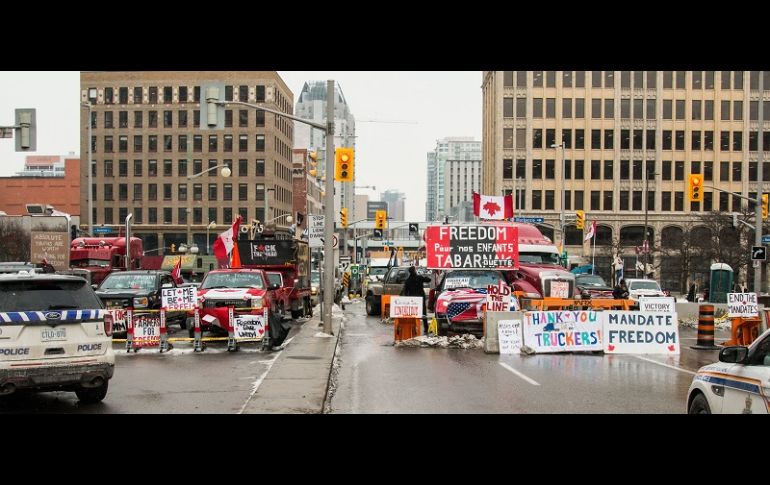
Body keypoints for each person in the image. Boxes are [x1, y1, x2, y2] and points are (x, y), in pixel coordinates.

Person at [401, 266, 431, 333]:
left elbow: (405, 292)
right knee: (423, 313)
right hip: (421, 298)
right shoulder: (419, 277)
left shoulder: (408, 280)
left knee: (413, 314)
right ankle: (426, 328)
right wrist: (424, 276)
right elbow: (429, 280)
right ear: (414, 271)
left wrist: (407, 299)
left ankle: (414, 328)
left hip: (413, 300)